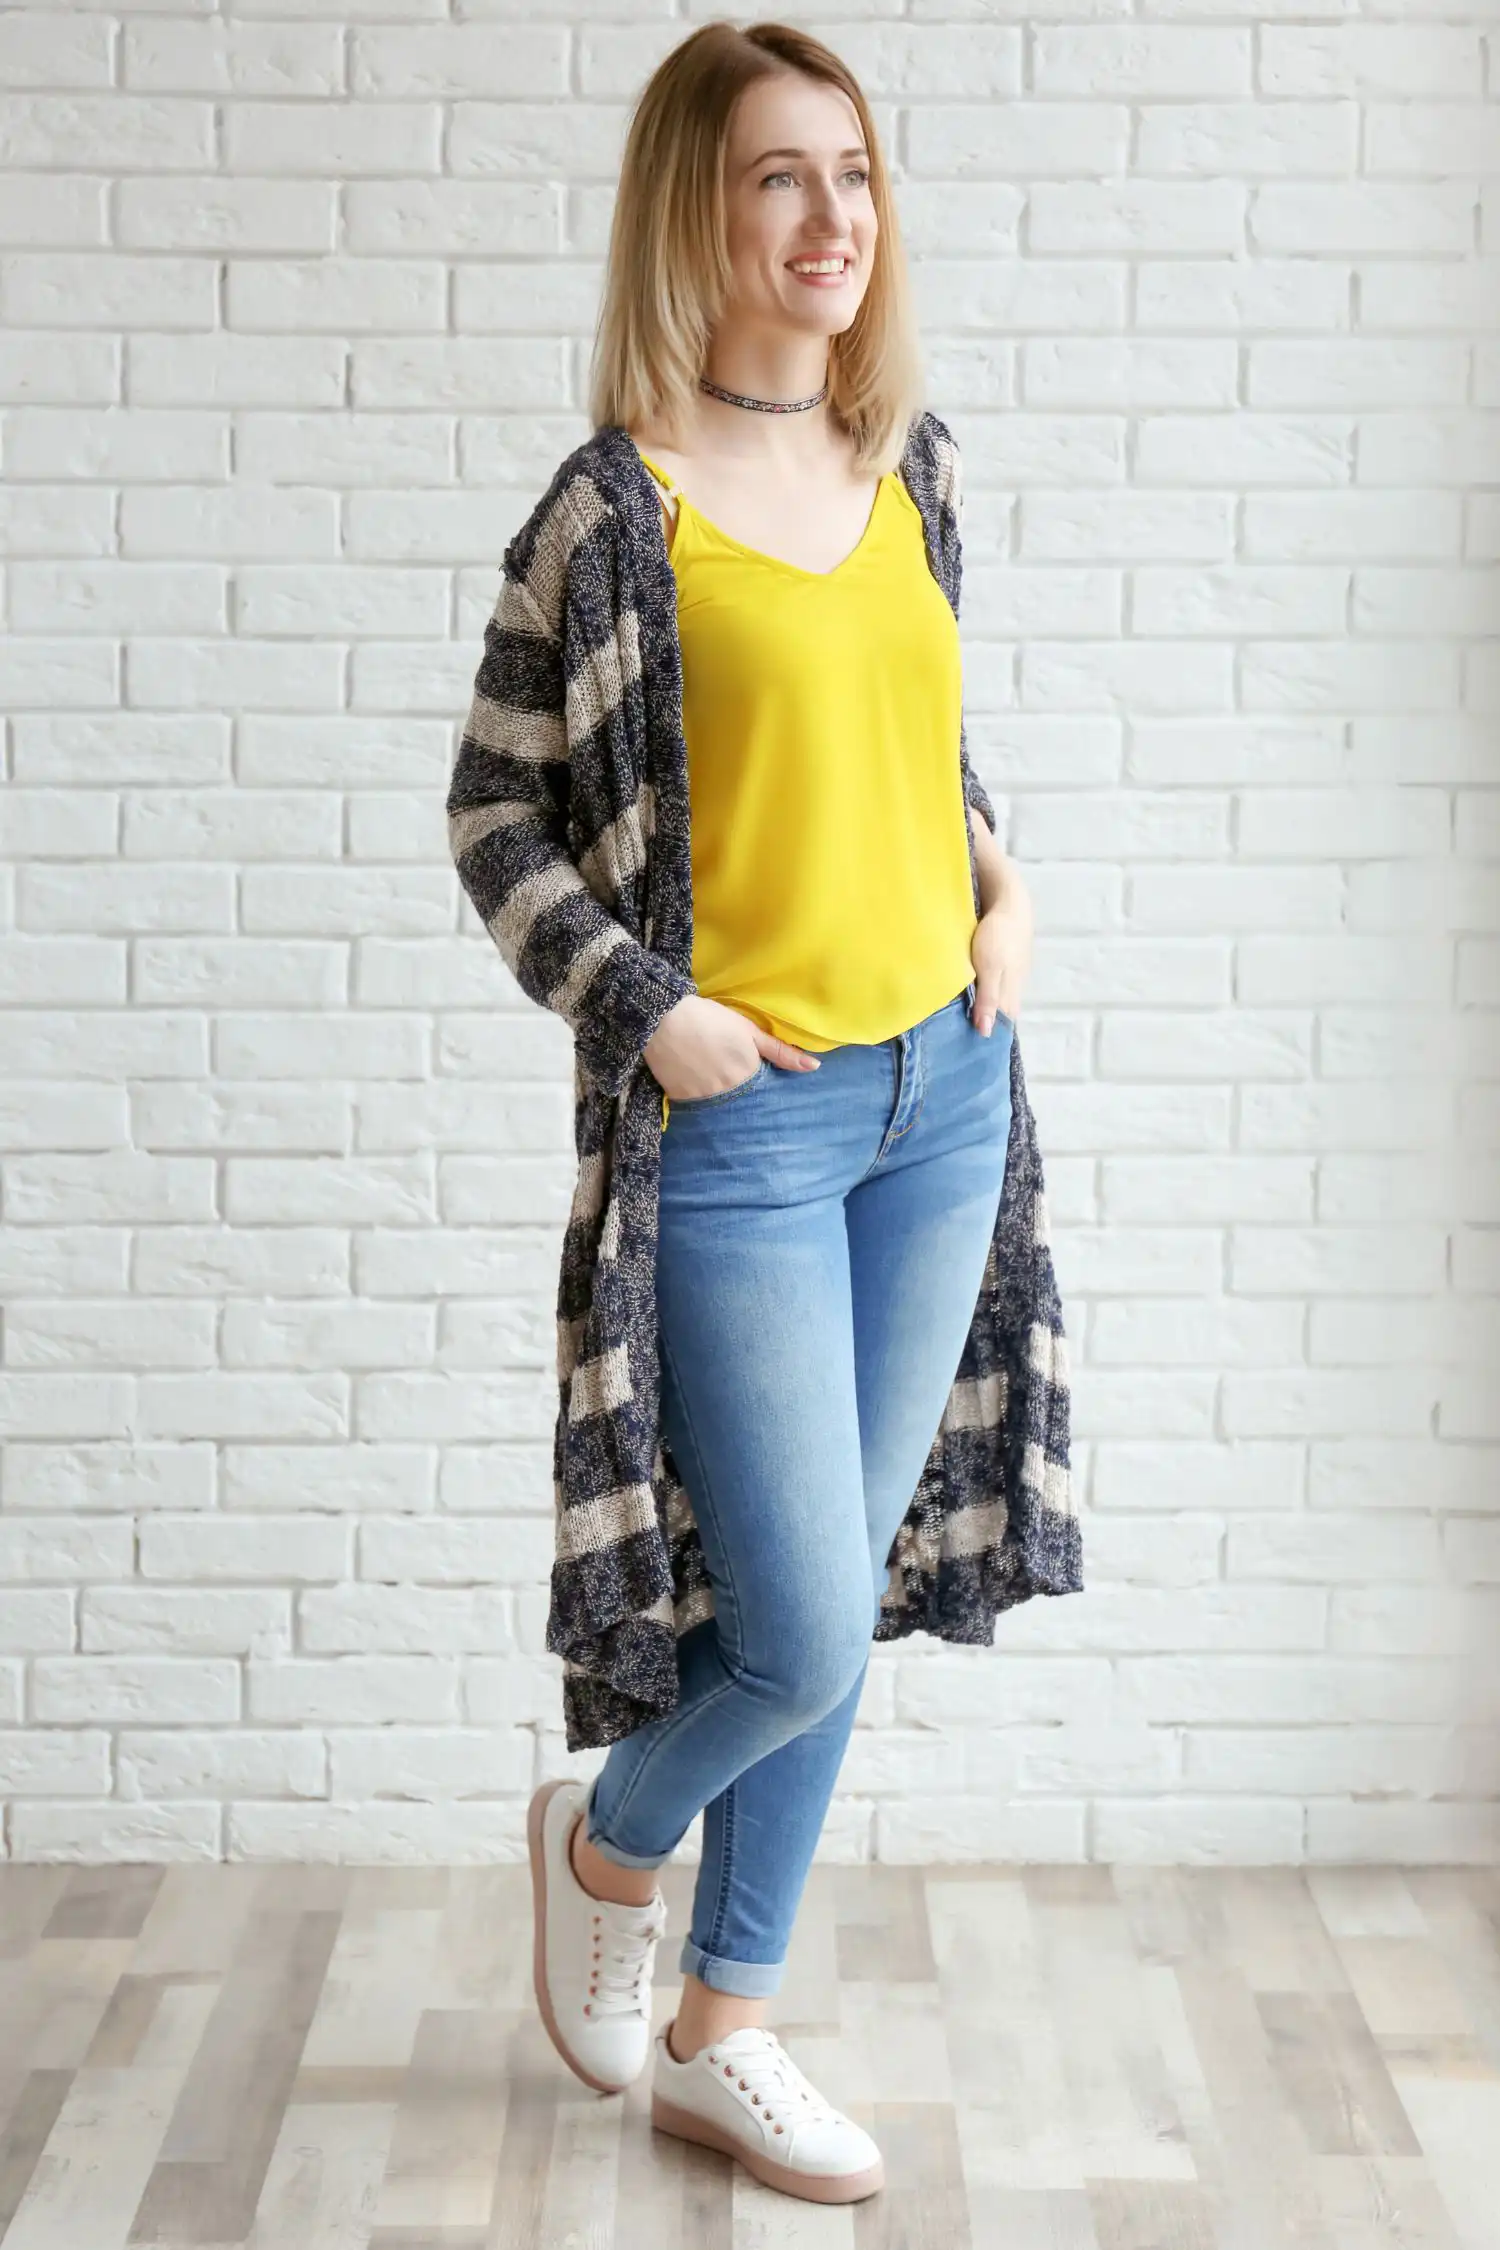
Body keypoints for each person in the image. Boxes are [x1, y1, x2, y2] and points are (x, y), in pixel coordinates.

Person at [448, 19, 1079, 2208]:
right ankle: (610, 1831)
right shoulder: (609, 514)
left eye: (857, 175)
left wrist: (1002, 887)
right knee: (797, 1621)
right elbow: (497, 816)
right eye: (777, 180)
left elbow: (912, 755)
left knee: (857, 1592)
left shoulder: (916, 471)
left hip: (946, 1099)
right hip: (745, 1131)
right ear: (692, 218)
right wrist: (644, 1008)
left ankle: (731, 2021)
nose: (831, 221)